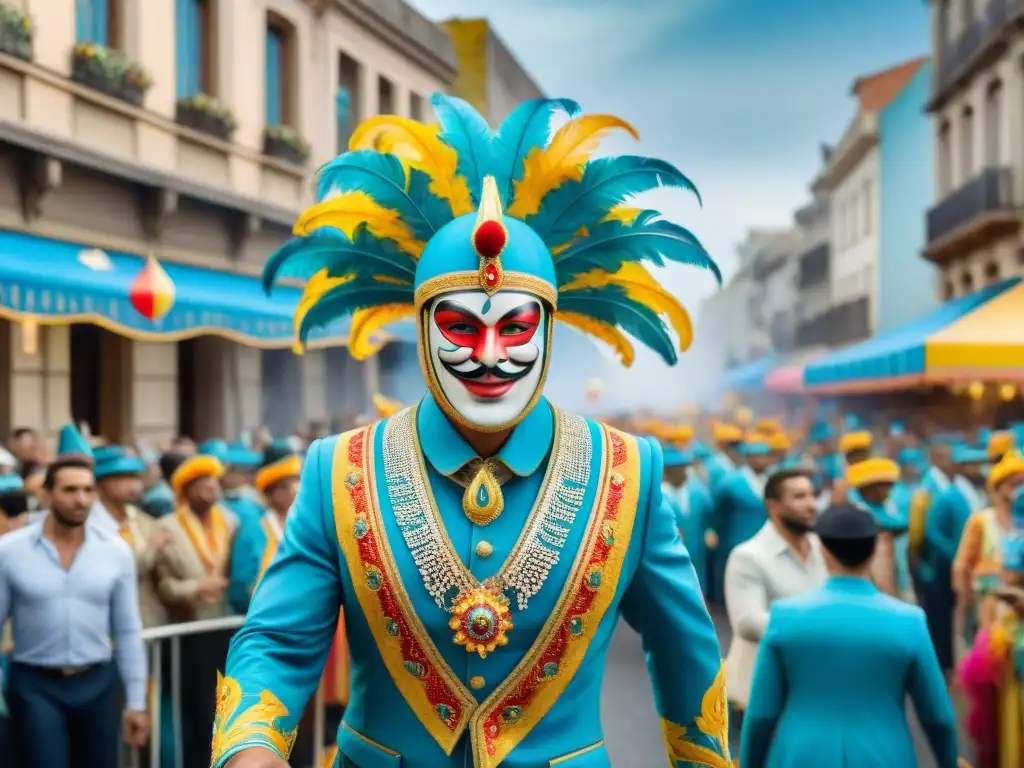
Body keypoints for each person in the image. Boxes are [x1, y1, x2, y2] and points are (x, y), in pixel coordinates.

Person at [211, 94, 728, 768]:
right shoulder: (339, 470)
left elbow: (684, 650)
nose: (488, 355)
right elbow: (279, 640)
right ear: (423, 329)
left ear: (548, 330)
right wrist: (250, 748)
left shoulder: (628, 472)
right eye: (460, 327)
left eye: (515, 328)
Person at [739, 503, 960, 768]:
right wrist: (948, 762)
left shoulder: (784, 617)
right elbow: (938, 717)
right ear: (874, 549)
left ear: (824, 551)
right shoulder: (909, 620)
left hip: (799, 756)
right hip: (885, 756)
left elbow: (761, 714)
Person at [0, 456, 150, 767]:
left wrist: (136, 702)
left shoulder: (115, 551)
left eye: (88, 490)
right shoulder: (10, 551)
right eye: (69, 490)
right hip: (35, 684)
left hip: (98, 682)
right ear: (46, 495)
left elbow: (127, 629)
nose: (80, 500)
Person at [723, 467, 827, 753]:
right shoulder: (748, 556)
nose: (812, 504)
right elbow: (748, 622)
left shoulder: (823, 549)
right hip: (757, 697)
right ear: (773, 506)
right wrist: (823, 626)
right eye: (799, 497)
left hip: (811, 691)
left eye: (812, 495)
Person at [155, 452, 237, 768]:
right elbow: (163, 586)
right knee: (198, 712)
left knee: (226, 707)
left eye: (214, 482)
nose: (212, 488)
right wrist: (195, 589)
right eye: (204, 484)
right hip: (190, 632)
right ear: (186, 490)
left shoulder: (231, 522)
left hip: (227, 628)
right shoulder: (167, 527)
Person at [93, 445, 170, 627]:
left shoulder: (143, 520)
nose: (134, 484)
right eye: (124, 477)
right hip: (109, 622)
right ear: (101, 483)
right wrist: (150, 550)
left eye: (136, 476)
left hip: (149, 620)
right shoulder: (90, 525)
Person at [927, 444, 990, 666]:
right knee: (955, 620)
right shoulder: (949, 496)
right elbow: (933, 532)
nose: (978, 469)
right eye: (972, 465)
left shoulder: (984, 493)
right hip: (952, 567)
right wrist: (955, 555)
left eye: (980, 464)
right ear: (960, 466)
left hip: (980, 568)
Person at [228, 442, 301, 614]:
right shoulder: (254, 528)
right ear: (271, 493)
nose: (294, 491)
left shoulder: (302, 525)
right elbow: (241, 584)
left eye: (297, 482)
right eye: (285, 487)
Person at [709, 437, 774, 602]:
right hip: (737, 539)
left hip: (766, 540)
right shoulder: (731, 482)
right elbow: (718, 513)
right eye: (755, 456)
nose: (760, 460)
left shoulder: (773, 480)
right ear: (747, 457)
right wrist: (715, 532)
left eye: (764, 456)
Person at [846, 457, 913, 602]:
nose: (889, 490)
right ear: (869, 487)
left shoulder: (889, 506)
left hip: (897, 576)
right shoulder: (857, 510)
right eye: (885, 486)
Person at [662, 445, 712, 594]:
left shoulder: (697, 492)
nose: (681, 473)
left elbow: (709, 515)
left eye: (682, 468)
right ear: (666, 472)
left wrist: (710, 530)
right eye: (675, 470)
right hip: (670, 555)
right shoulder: (659, 497)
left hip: (696, 551)